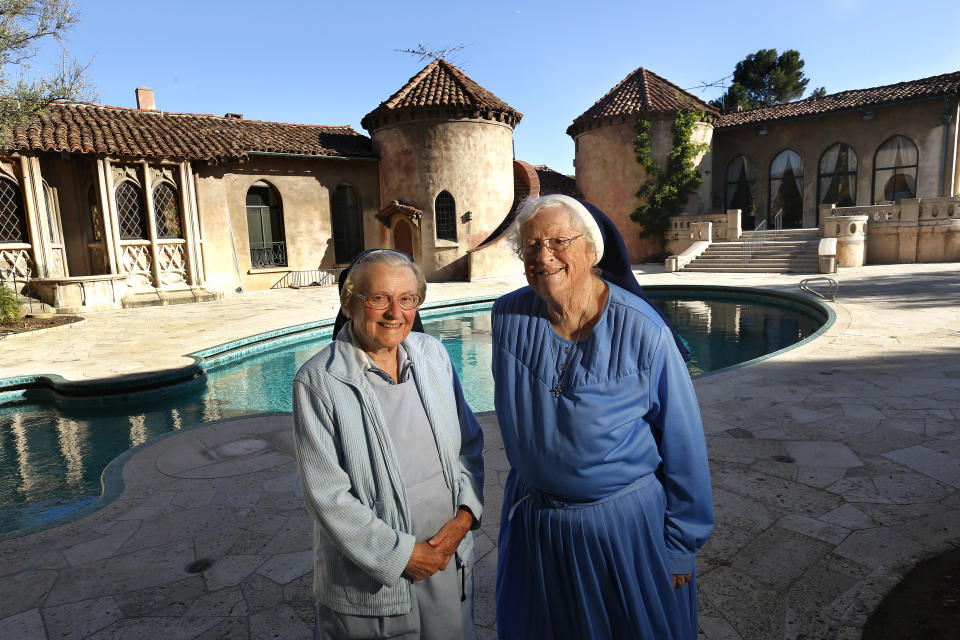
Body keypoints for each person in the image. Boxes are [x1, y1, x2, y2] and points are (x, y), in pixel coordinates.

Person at [492, 195, 714, 639]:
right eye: (531, 247)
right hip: (536, 527)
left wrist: (679, 547)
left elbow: (683, 444)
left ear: (592, 251)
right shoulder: (507, 318)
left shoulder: (645, 332)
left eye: (559, 241)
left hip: (621, 534)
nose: (543, 256)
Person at [292, 249, 484, 640]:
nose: (395, 312)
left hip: (447, 558)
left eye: (407, 299)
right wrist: (403, 556)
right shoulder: (318, 382)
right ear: (350, 303)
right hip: (373, 578)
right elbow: (327, 496)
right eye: (379, 298)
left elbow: (468, 444)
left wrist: (465, 516)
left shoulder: (434, 355)